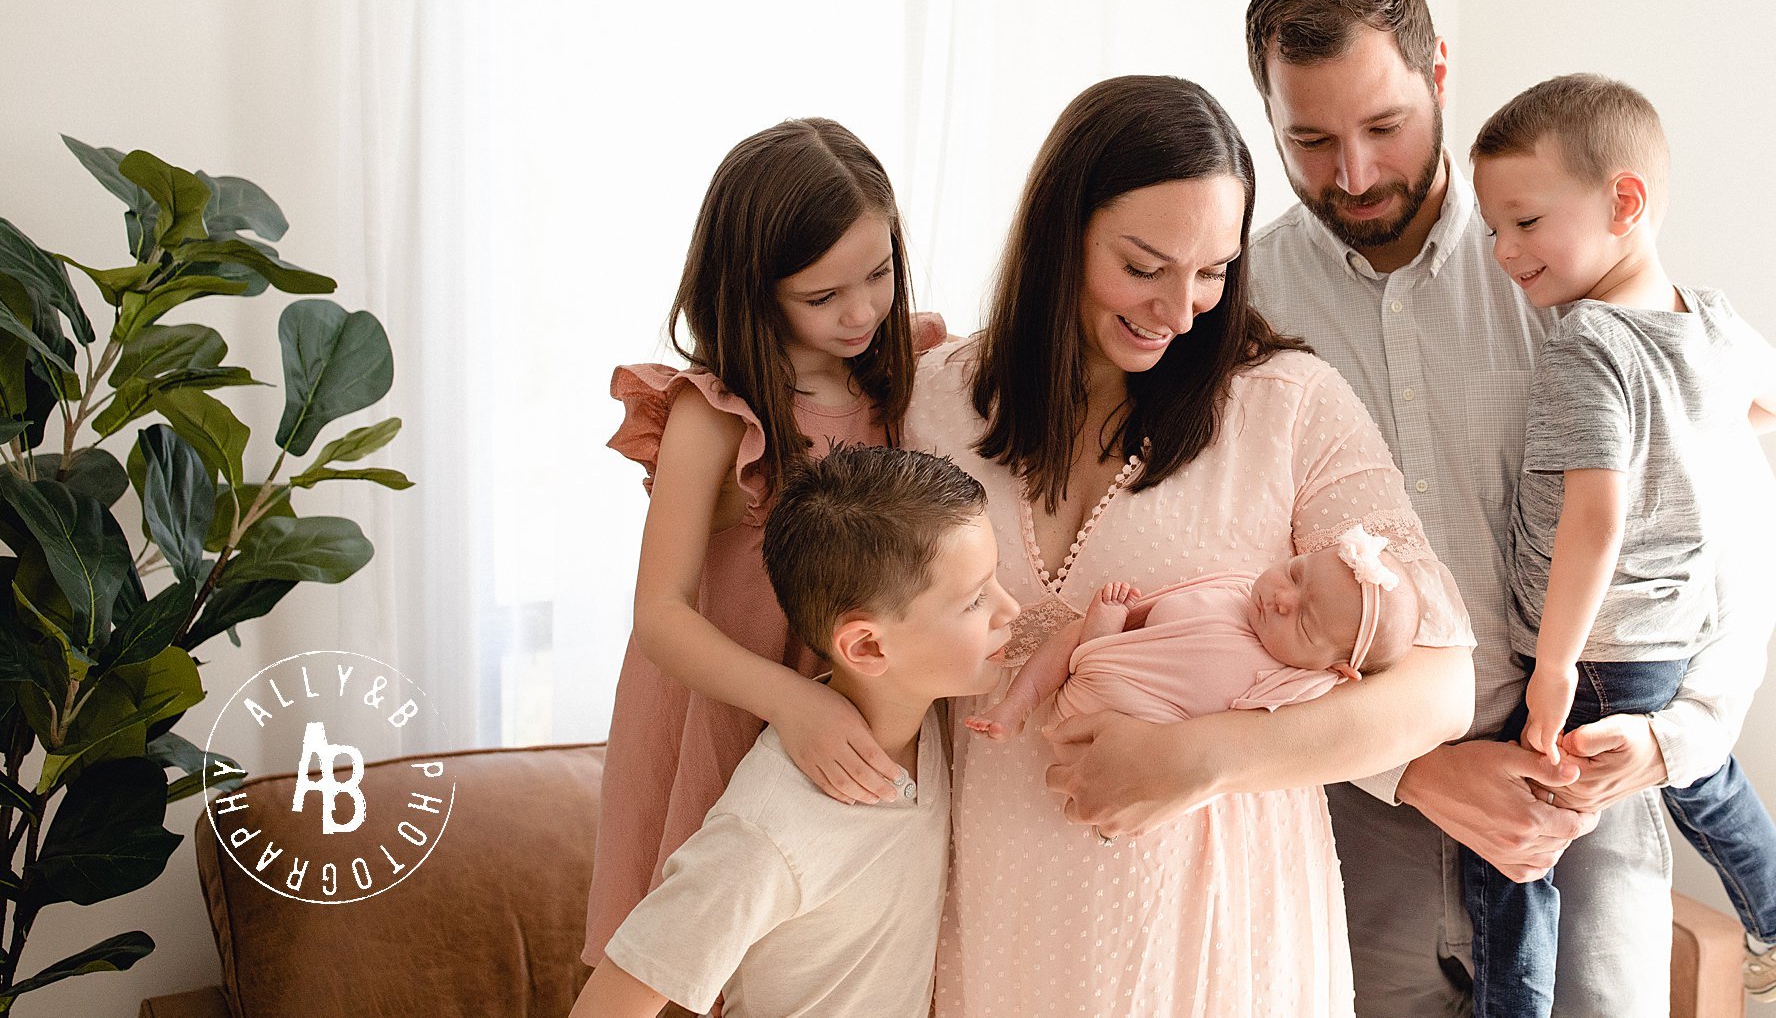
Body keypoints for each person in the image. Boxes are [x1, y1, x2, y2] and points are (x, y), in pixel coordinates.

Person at [1246, 0, 1776, 1016]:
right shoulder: (1245, 304)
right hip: (1357, 811)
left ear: (1437, 71)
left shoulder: (1574, 266)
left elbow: (1735, 536)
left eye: (1383, 126)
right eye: (1307, 139)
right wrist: (1405, 771)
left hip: (1592, 785)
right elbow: (1228, 584)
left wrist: (1677, 734)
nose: (1351, 175)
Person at [905, 73, 1476, 1017]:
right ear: (1062, 232)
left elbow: (1439, 685)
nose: (1180, 311)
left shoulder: (1289, 404)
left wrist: (1200, 758)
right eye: (1144, 266)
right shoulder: (935, 402)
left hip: (1218, 932)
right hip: (991, 901)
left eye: (1213, 271)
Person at [1462, 74, 1776, 1011]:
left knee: (1514, 853)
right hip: (1671, 639)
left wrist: (1551, 668)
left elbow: (1595, 519)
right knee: (1699, 780)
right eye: (1493, 230)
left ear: (1623, 202)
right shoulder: (1704, 323)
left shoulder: (1587, 343)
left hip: (1595, 649)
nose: (1505, 253)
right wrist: (1701, 425)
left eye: (1524, 222)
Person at [582, 118, 944, 967]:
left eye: (880, 273)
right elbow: (660, 615)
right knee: (687, 952)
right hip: (726, 705)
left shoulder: (914, 373)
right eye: (822, 297)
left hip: (862, 716)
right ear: (752, 290)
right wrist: (794, 701)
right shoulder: (716, 413)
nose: (862, 312)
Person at [569, 445, 1022, 1018]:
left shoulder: (933, 729)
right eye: (977, 598)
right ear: (868, 647)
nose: (1010, 609)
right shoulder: (766, 832)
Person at [965, 523, 1418, 739]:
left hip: (1137, 726)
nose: (1283, 599)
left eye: (1304, 621)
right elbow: (1147, 616)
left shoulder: (1301, 686)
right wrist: (1117, 617)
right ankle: (1016, 706)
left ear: (1337, 667)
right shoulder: (1235, 590)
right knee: (1081, 628)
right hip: (1104, 660)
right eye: (1296, 574)